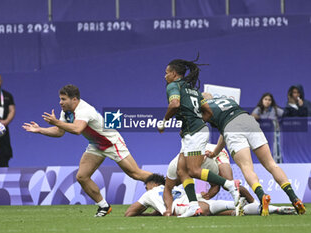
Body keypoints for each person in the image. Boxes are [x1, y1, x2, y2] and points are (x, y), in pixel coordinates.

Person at [22, 84, 152, 217]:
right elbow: (59, 132)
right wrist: (40, 130)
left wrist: (57, 122)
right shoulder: (65, 112)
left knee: (135, 174)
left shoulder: (84, 110)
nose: (60, 102)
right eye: (60, 99)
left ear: (74, 99)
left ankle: (167, 186)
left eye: (63, 99)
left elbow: (77, 129)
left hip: (111, 143)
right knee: (82, 176)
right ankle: (104, 206)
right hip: (95, 145)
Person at [158, 58, 240, 217]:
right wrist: (196, 122)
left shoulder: (173, 86)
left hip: (195, 133)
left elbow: (174, 104)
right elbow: (208, 112)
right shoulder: (194, 90)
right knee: (182, 171)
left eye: (166, 73)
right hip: (194, 131)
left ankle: (230, 185)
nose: (165, 76)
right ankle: (193, 206)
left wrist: (164, 121)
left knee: (193, 170)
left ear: (174, 74)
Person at [202, 92, 306, 216]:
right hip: (248, 121)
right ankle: (294, 198)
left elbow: (224, 129)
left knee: (247, 167)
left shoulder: (206, 108)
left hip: (232, 129)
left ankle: (262, 196)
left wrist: (214, 153)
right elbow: (223, 133)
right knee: (272, 164)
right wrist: (215, 153)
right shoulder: (227, 99)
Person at [124, 174, 296, 217]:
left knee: (229, 210)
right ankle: (279, 209)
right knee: (234, 210)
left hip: (190, 207)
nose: (145, 188)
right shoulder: (171, 189)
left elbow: (129, 213)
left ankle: (241, 196)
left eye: (145, 185)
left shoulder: (150, 193)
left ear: (152, 184)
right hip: (198, 201)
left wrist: (150, 214)